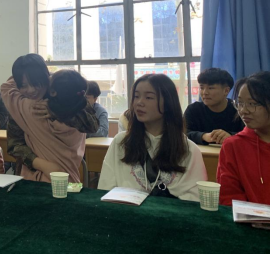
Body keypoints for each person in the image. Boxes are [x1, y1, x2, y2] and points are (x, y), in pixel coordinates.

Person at [99, 74, 207, 202]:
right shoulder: (121, 142)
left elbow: (194, 199)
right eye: (136, 96)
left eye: (149, 97)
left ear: (167, 103)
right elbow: (105, 189)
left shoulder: (188, 150)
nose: (139, 102)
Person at [3, 54, 98, 183]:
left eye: (36, 83)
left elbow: (92, 125)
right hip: (30, 175)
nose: (31, 90)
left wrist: (57, 111)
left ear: (46, 78)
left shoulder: (66, 91)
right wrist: (42, 164)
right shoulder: (20, 105)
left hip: (66, 173)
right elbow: (14, 145)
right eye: (23, 85)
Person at [218, 72, 270, 206]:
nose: (243, 110)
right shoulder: (234, 146)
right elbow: (229, 196)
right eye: (240, 103)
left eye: (252, 104)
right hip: (249, 219)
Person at [185, 68, 244, 145]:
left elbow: (250, 134)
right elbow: (183, 134)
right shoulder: (193, 109)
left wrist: (231, 136)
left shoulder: (239, 110)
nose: (205, 92)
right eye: (202, 88)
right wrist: (203, 136)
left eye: (210, 88)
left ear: (226, 91)